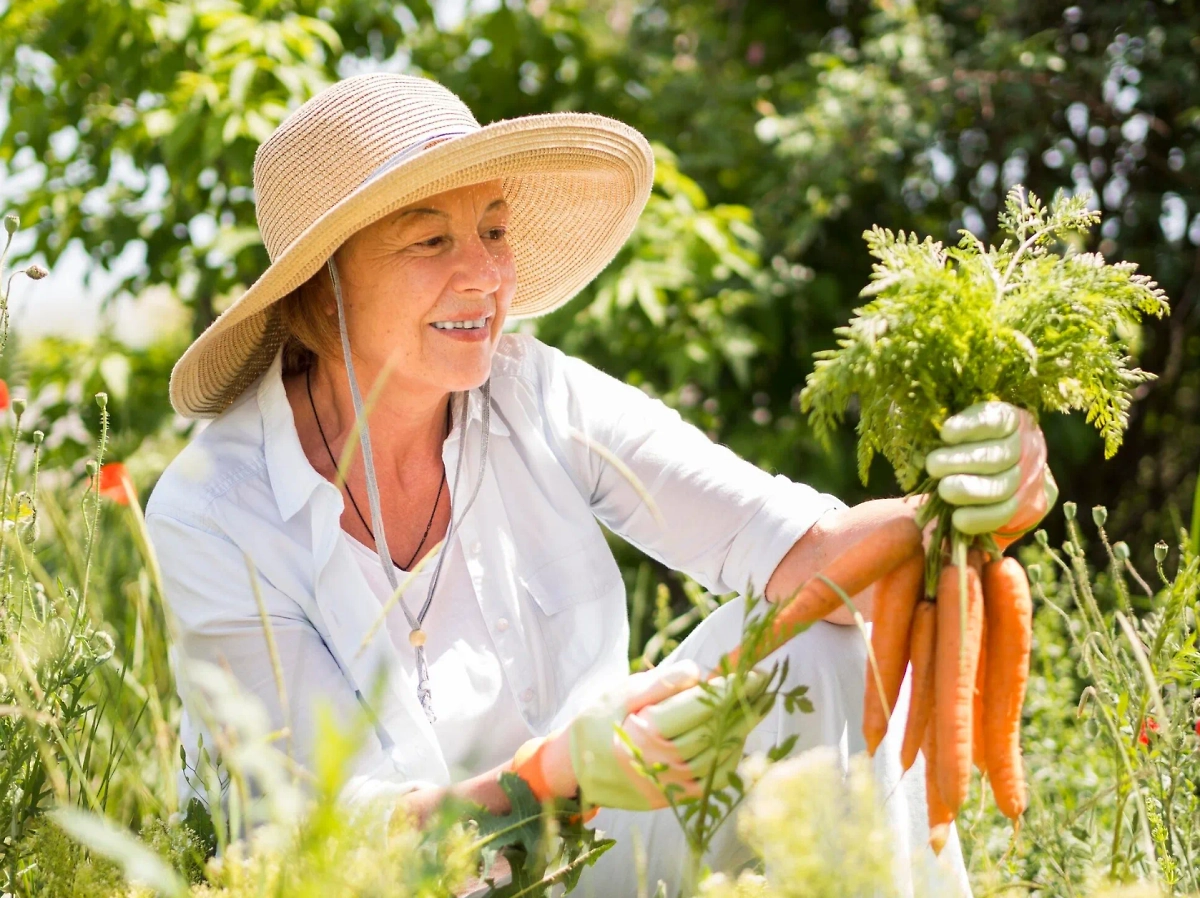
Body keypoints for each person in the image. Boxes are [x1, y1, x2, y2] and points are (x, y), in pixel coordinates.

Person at [146, 73, 1056, 896]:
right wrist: (544, 778)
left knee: (825, 634)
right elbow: (326, 845)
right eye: (430, 239)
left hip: (593, 856)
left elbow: (800, 551)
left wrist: (968, 500)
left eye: (494, 229)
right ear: (317, 291)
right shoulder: (216, 514)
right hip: (393, 881)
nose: (489, 274)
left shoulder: (534, 391)